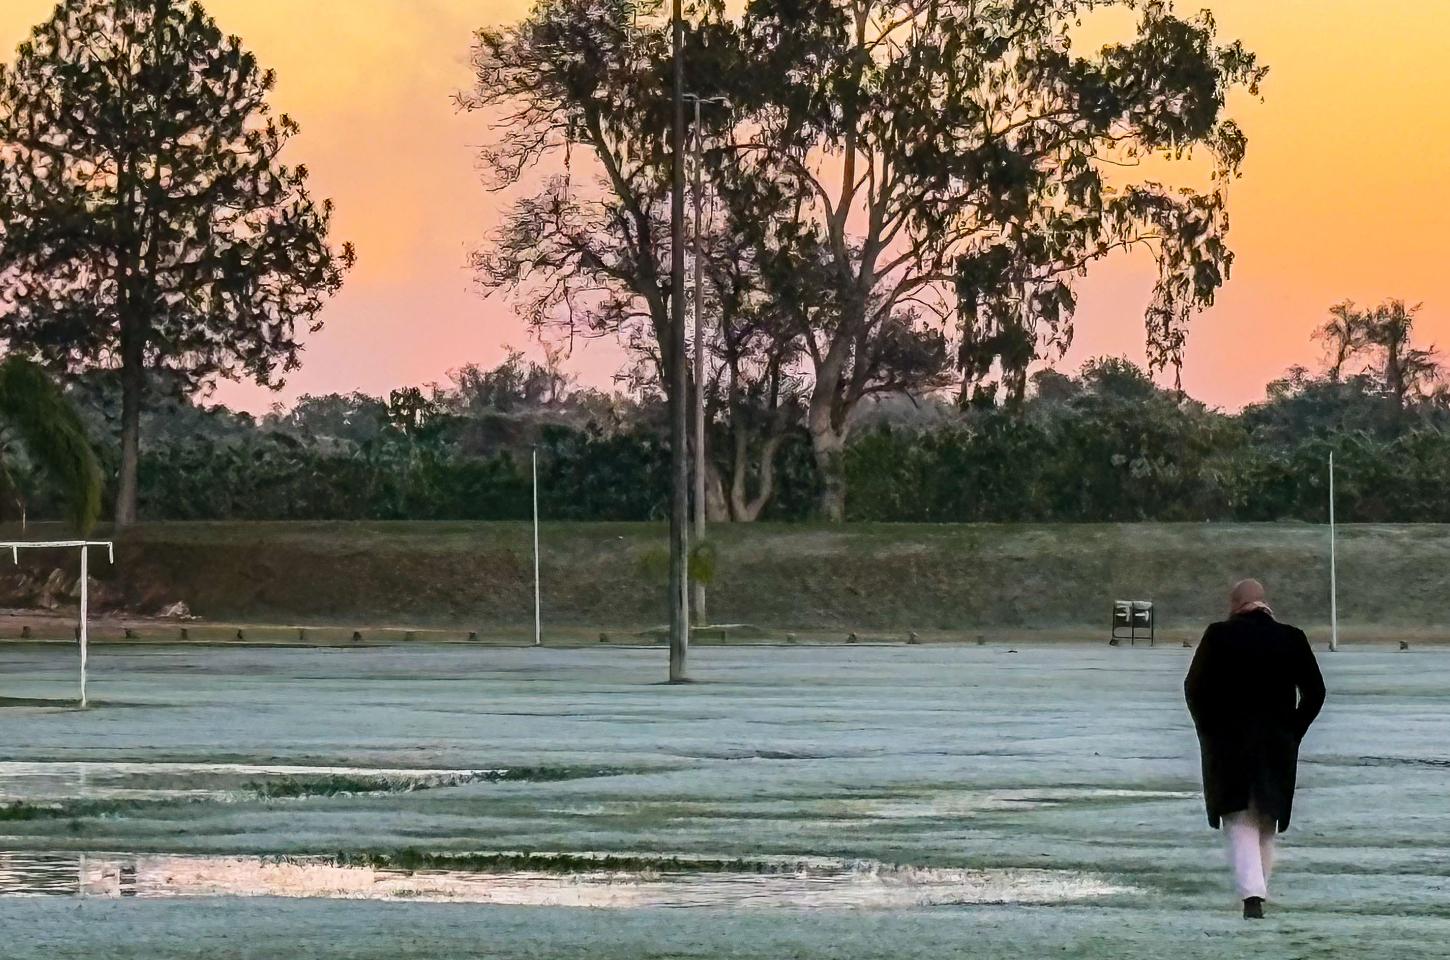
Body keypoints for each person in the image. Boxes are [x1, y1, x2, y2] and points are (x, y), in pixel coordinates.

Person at [1184, 578, 1326, 919]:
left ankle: (1252, 896)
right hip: (1277, 744)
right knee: (1266, 819)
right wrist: (1293, 730)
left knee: (1239, 818)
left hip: (1229, 744)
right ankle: (1258, 889)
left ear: (1235, 603)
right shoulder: (1291, 637)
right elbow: (1315, 692)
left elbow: (1194, 688)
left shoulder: (1218, 635)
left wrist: (1209, 729)